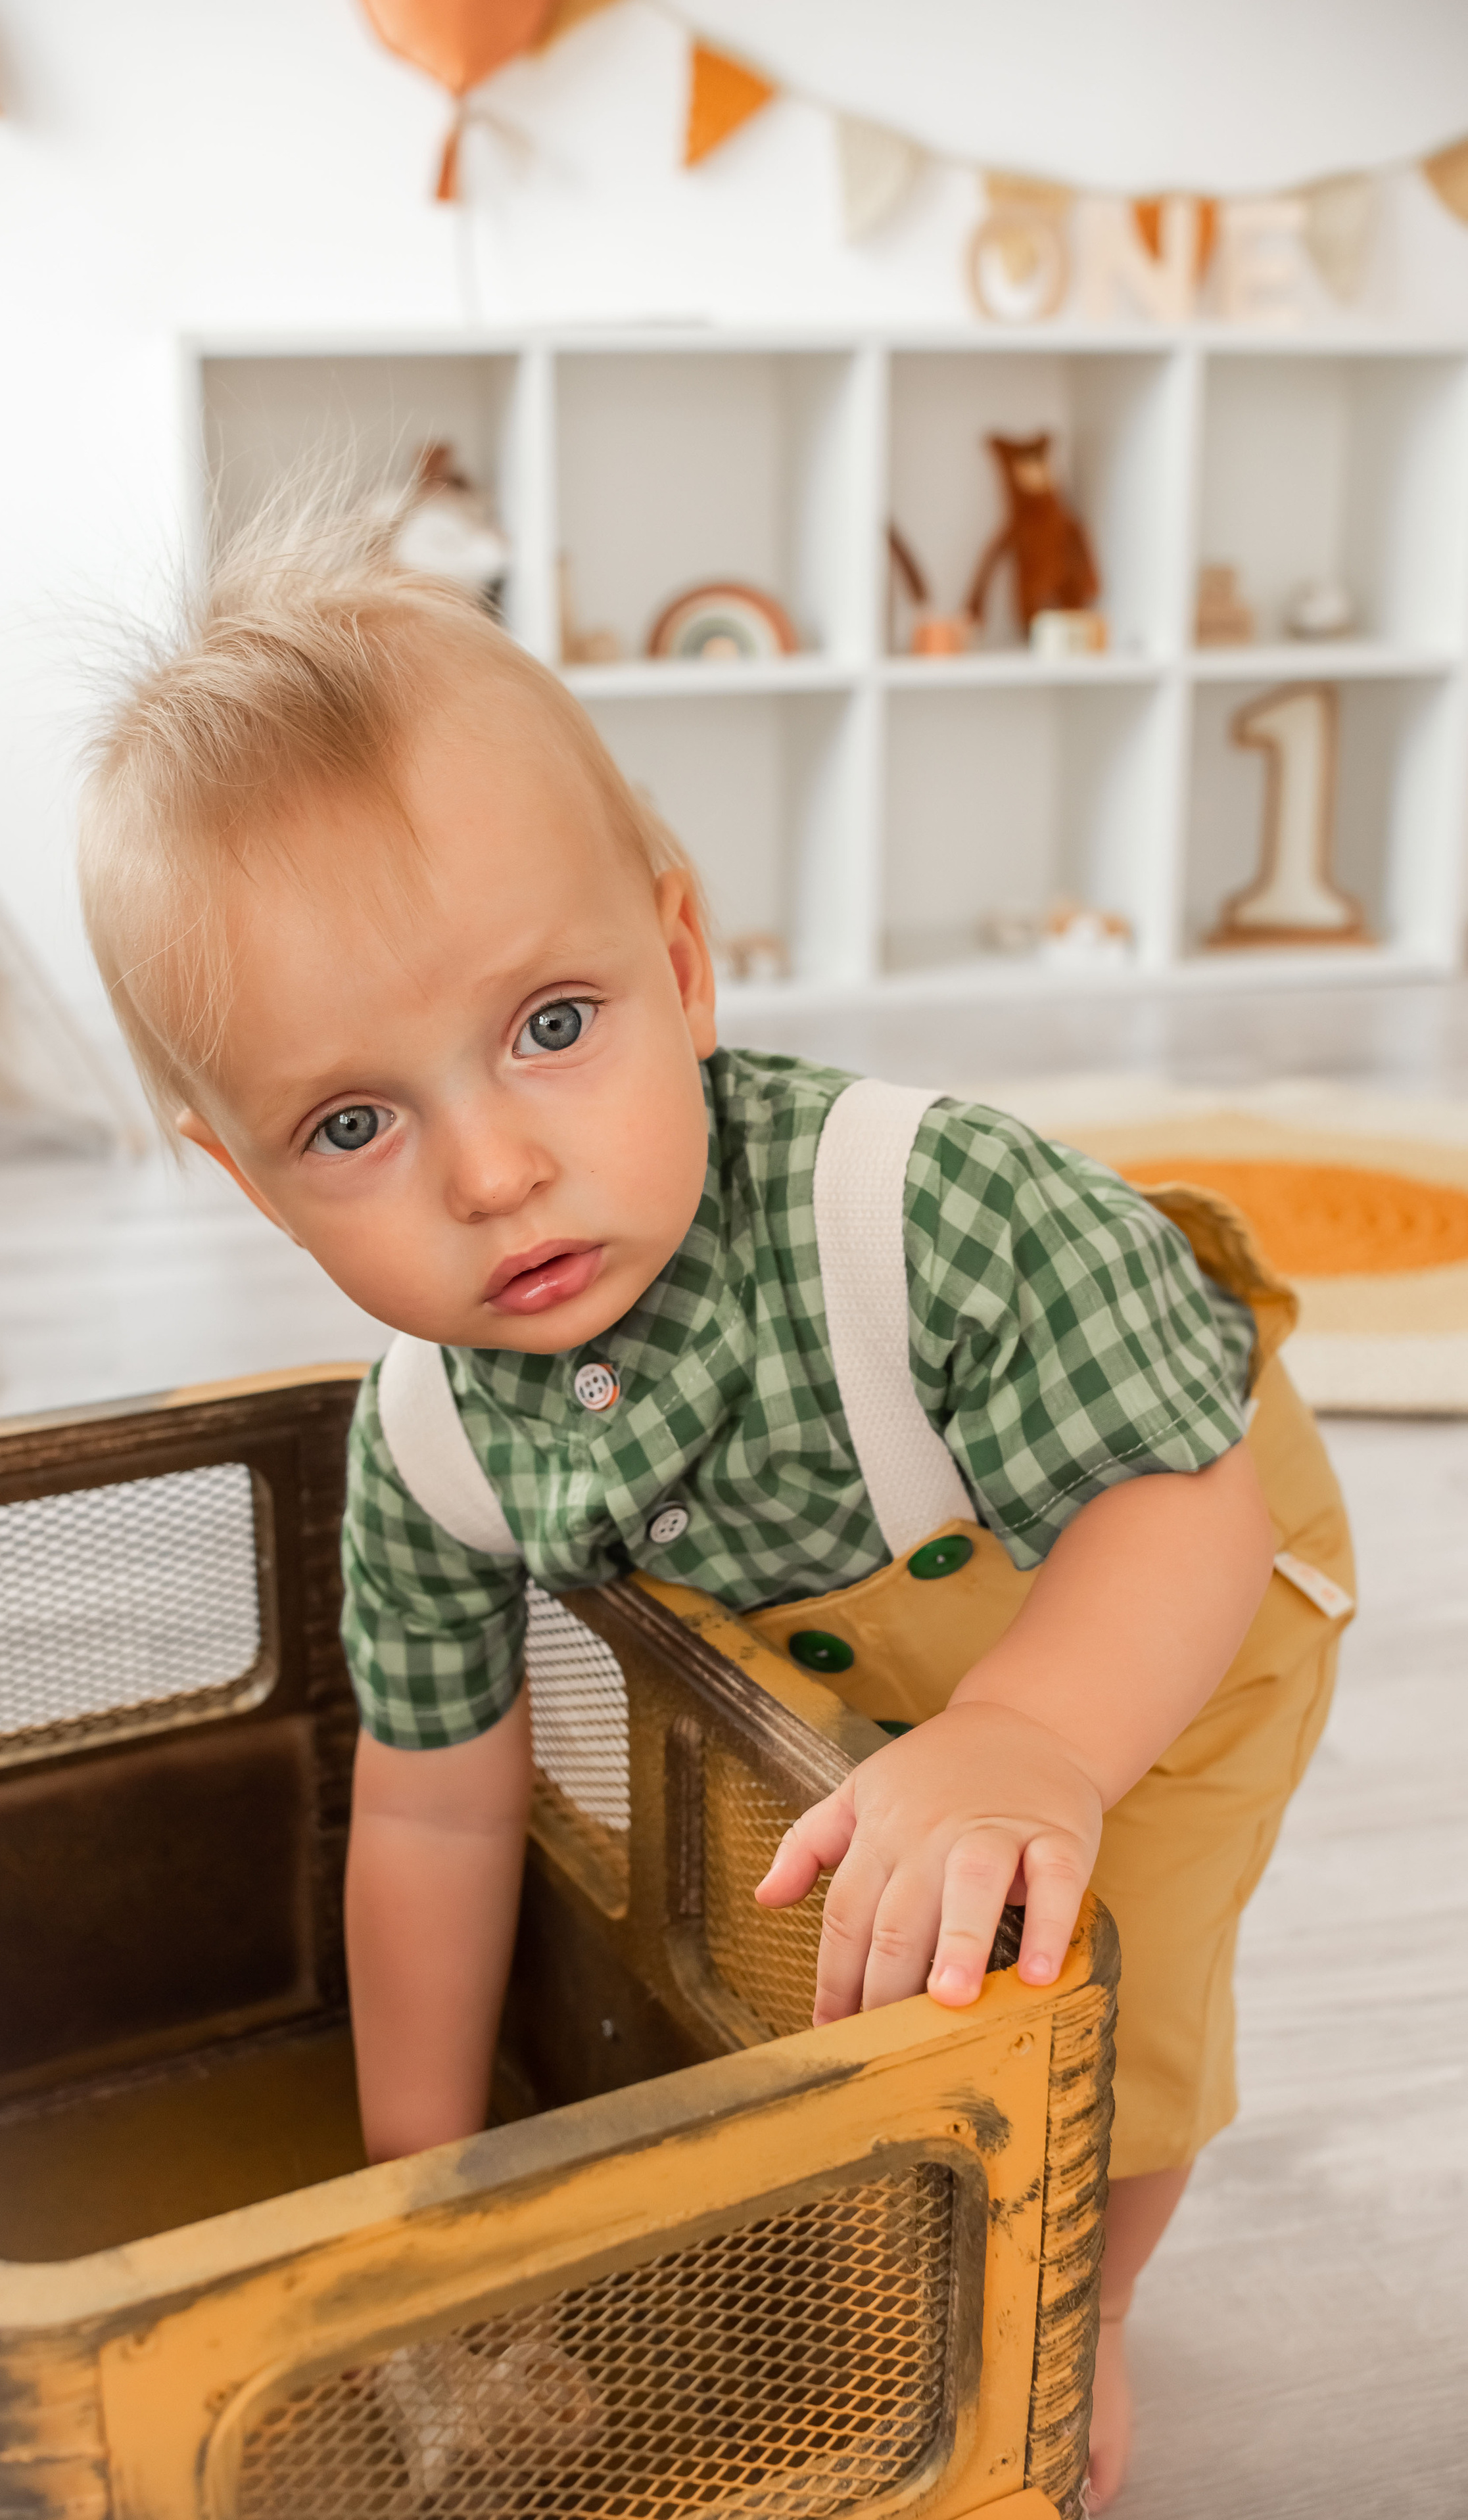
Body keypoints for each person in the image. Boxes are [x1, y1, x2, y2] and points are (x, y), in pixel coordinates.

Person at [77, 517, 1352, 2511]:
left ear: (681, 964)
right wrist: (422, 2205)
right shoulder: (422, 1441)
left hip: (1161, 1587)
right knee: (844, 1956)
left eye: (551, 1026)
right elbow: (429, 1806)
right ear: (248, 1179)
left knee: (1106, 1984)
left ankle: (1079, 2303)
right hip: (857, 1633)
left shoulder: (931, 1215)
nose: (493, 1168)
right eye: (352, 1123)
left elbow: (1176, 1506)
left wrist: (1029, 1740)